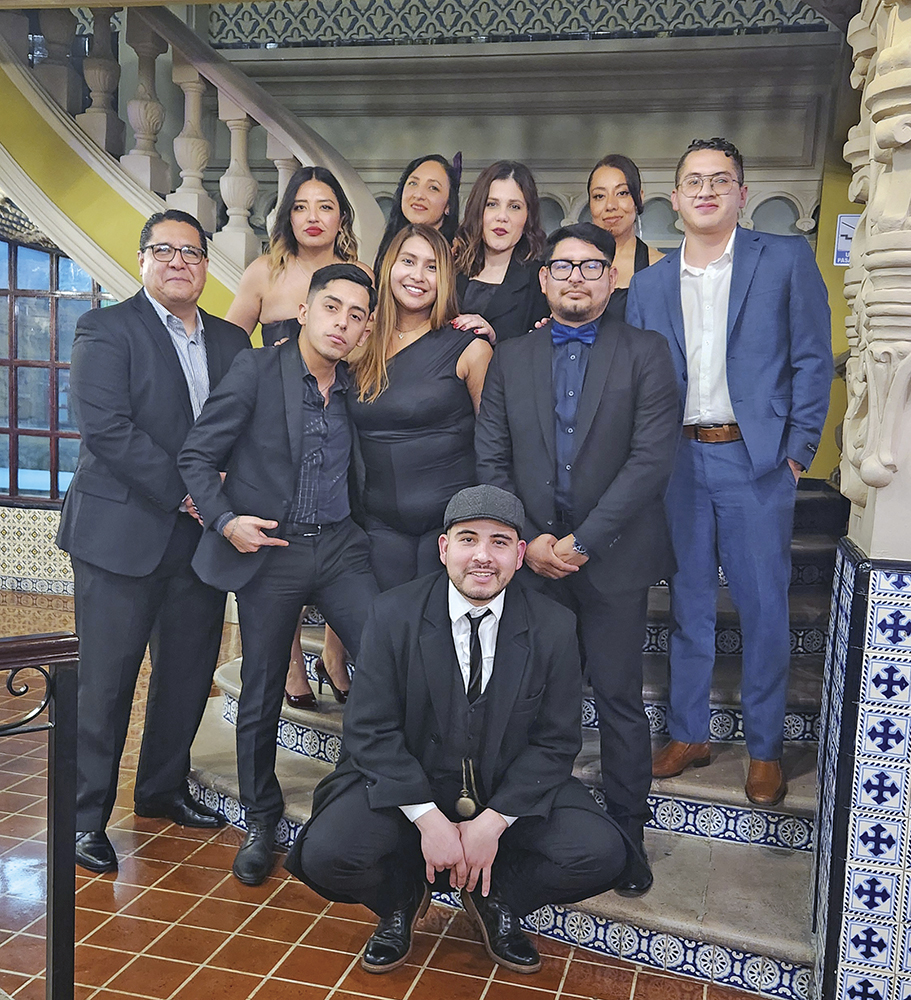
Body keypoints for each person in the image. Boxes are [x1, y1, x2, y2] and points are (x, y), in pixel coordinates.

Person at [286, 485, 637, 975]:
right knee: (326, 853)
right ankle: (402, 899)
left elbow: (557, 741)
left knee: (602, 853)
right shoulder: (391, 614)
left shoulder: (554, 626)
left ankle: (497, 899)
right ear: (444, 548)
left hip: (502, 790)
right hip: (410, 789)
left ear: (519, 555)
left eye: (499, 542)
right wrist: (428, 818)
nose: (482, 556)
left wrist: (493, 823)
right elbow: (369, 730)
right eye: (468, 539)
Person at [626, 137, 832, 805]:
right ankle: (689, 733)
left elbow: (812, 357)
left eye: (720, 180)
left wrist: (796, 450)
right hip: (679, 463)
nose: (706, 190)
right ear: (675, 198)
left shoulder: (785, 259)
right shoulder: (650, 284)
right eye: (694, 180)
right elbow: (639, 381)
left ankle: (765, 748)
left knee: (764, 606)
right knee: (688, 603)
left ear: (741, 194)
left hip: (757, 460)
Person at [475, 222, 679, 896]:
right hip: (532, 561)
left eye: (590, 266)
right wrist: (527, 541)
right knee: (529, 698)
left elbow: (650, 460)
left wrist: (583, 541)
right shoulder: (510, 358)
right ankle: (522, 822)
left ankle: (627, 833)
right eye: (561, 266)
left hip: (613, 558)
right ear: (543, 279)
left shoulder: (645, 352)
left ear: (610, 278)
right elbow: (492, 458)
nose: (575, 278)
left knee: (619, 699)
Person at [58, 210, 250, 874]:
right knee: (106, 684)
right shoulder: (106, 329)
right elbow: (107, 430)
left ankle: (161, 789)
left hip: (199, 544)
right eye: (164, 250)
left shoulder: (232, 341)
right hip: (121, 535)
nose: (178, 263)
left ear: (206, 266)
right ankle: (84, 819)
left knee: (187, 676)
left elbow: (246, 427)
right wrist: (190, 493)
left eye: (191, 253)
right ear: (142, 260)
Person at [178, 264, 381, 886]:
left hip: (341, 547)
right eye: (332, 307)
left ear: (366, 328)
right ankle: (260, 820)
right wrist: (225, 521)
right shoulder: (258, 369)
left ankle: (358, 798)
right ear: (306, 310)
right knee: (263, 687)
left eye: (356, 315)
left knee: (386, 660)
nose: (342, 323)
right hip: (274, 549)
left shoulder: (359, 384)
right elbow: (197, 454)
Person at [226, 165, 372, 709]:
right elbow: (229, 347)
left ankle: (334, 653)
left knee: (345, 541)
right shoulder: (264, 272)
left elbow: (381, 344)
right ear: (287, 215)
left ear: (341, 217)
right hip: (276, 430)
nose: (313, 217)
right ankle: (289, 664)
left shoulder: (360, 274)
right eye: (301, 206)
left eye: (325, 206)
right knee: (279, 552)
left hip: (344, 420)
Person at [349, 224, 492, 591]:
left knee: (438, 625)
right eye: (408, 261)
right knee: (383, 623)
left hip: (452, 527)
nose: (418, 275)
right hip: (377, 526)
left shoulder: (470, 347)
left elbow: (496, 444)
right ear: (389, 267)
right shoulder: (359, 343)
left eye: (432, 267)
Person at [452, 160, 549, 344]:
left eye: (514, 207)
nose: (502, 217)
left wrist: (495, 337)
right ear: (477, 210)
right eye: (492, 204)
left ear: (528, 217)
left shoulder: (540, 281)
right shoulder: (450, 268)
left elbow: (538, 351)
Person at [587, 154, 664, 321]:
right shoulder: (570, 266)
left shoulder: (661, 267)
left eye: (622, 193)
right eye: (599, 196)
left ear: (639, 198)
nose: (610, 205)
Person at [372, 154, 460, 274]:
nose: (418, 195)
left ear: (449, 204)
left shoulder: (458, 256)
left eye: (433, 188)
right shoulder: (388, 247)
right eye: (413, 183)